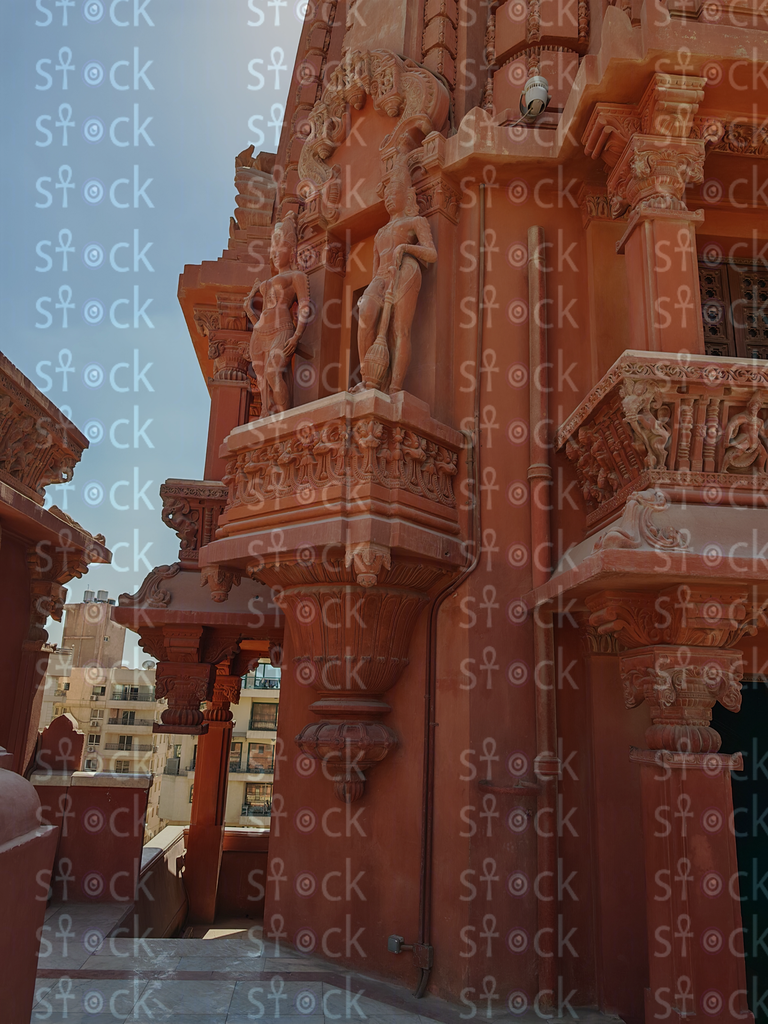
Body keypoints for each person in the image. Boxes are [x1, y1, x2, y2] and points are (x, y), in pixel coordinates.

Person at [354, 158, 437, 394]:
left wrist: (406, 248)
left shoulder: (415, 222)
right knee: (366, 313)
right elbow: (374, 270)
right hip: (381, 278)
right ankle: (368, 377)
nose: (390, 197)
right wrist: (371, 290)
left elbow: (431, 254)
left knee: (400, 329)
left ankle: (395, 386)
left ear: (407, 195)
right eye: (387, 193)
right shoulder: (380, 233)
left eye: (395, 192)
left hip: (405, 271)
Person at [244, 211, 311, 416]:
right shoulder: (268, 281)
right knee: (262, 380)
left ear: (291, 252)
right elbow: (265, 310)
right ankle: (267, 414)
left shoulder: (296, 276)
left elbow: (305, 305)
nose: (274, 254)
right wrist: (249, 312)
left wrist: (297, 335)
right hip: (260, 332)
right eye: (272, 250)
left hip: (282, 330)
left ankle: (284, 418)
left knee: (273, 373)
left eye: (279, 249)